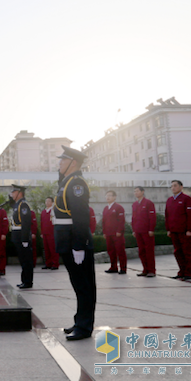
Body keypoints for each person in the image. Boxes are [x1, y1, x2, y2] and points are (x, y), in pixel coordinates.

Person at [54, 146, 95, 341]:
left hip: (75, 242)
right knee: (78, 285)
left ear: (74, 163)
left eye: (63, 160)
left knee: (84, 286)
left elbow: (80, 217)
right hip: (67, 241)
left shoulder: (76, 184)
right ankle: (80, 321)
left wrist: (79, 245)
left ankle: (84, 327)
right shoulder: (67, 182)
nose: (59, 163)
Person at [165, 180, 191, 280]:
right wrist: (168, 229)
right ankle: (181, 271)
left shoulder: (186, 199)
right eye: (171, 186)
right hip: (173, 231)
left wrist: (189, 229)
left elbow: (190, 216)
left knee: (187, 252)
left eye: (175, 186)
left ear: (181, 187)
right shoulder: (169, 200)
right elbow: (167, 215)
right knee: (177, 252)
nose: (173, 188)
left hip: (184, 231)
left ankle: (188, 273)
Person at [10, 185, 33, 289]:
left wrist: (24, 239)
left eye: (14, 192)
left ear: (20, 193)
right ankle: (24, 280)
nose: (12, 194)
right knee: (22, 260)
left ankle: (28, 282)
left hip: (21, 235)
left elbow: (26, 223)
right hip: (17, 234)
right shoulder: (17, 204)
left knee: (26, 260)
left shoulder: (23, 205)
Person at [132, 186, 157, 277]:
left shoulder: (148, 203)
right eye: (134, 191)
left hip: (147, 231)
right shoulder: (134, 204)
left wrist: (151, 229)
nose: (136, 193)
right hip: (138, 231)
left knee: (149, 251)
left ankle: (151, 271)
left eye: (137, 191)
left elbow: (152, 217)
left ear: (143, 192)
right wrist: (134, 230)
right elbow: (133, 218)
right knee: (141, 251)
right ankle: (145, 269)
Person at [102, 190, 127, 274]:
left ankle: (123, 268)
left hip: (117, 234)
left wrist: (119, 231)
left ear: (114, 197)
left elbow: (121, 220)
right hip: (108, 233)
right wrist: (104, 232)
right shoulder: (105, 208)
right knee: (111, 251)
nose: (108, 197)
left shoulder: (119, 207)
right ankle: (113, 267)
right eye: (106, 195)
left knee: (120, 251)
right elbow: (103, 221)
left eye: (110, 195)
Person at [41, 197, 59, 270]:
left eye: (49, 201)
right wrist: (42, 232)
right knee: (46, 249)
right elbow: (42, 223)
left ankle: (55, 264)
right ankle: (48, 263)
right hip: (45, 233)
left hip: (52, 233)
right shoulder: (43, 211)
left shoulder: (53, 210)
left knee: (53, 249)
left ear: (52, 202)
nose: (47, 202)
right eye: (46, 201)